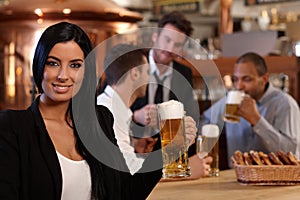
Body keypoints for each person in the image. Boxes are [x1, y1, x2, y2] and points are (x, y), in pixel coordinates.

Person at [0, 22, 154, 200]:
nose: (63, 76)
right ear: (40, 66)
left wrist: (170, 147)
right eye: (53, 63)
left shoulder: (100, 120)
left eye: (75, 65)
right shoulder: (12, 127)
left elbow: (125, 192)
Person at [130, 11, 212, 178]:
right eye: (167, 40)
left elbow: (190, 114)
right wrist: (134, 116)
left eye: (177, 44)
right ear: (155, 37)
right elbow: (105, 108)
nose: (169, 48)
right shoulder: (133, 64)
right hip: (132, 155)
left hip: (168, 160)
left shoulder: (184, 73)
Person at [97, 43, 197, 175]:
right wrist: (183, 168)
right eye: (147, 72)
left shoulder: (115, 106)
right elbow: (129, 169)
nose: (150, 78)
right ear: (135, 74)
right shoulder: (108, 109)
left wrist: (135, 145)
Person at [200, 52, 300, 167]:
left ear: (264, 79)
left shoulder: (284, 104)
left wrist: (256, 120)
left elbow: (290, 152)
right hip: (236, 176)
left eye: (246, 79)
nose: (239, 86)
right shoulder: (230, 100)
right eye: (235, 79)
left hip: (275, 179)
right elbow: (204, 121)